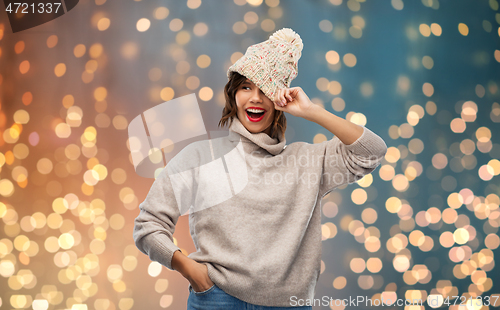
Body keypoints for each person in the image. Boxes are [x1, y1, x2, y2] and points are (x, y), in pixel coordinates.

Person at [133, 28, 388, 309]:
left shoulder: (308, 161)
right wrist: (191, 271)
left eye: (266, 89)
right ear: (233, 95)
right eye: (246, 87)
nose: (255, 98)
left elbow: (371, 151)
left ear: (281, 102)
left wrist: (312, 111)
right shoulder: (201, 157)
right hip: (216, 299)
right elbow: (149, 224)